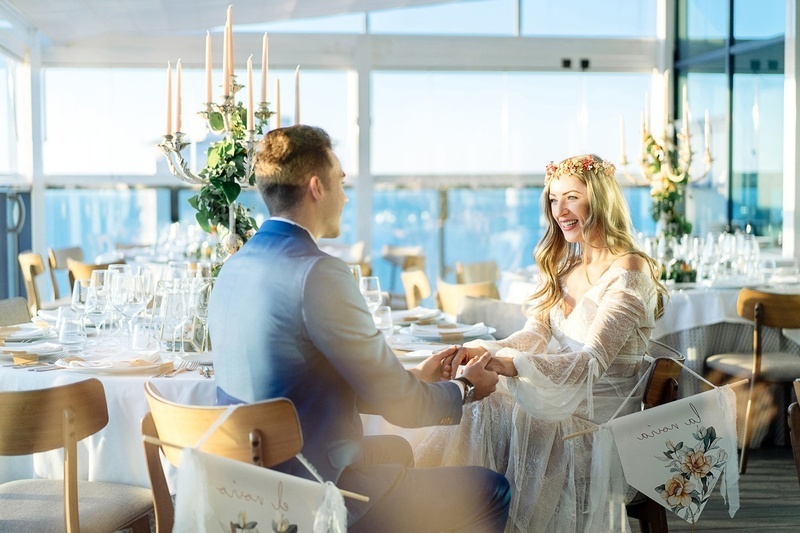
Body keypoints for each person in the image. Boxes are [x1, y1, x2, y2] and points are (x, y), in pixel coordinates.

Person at [207, 125, 511, 532]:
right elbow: (402, 407)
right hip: (313, 494)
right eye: (341, 182)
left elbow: (301, 380)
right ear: (317, 187)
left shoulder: (234, 266)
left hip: (246, 486)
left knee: (397, 451)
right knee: (492, 489)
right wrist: (466, 388)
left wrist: (414, 377)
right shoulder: (319, 273)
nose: (346, 196)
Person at [415, 154, 668, 533]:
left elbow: (588, 363)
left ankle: (439, 511)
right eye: (553, 199)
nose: (559, 210)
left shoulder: (629, 271)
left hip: (597, 427)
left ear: (599, 199)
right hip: (558, 403)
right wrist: (488, 352)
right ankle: (447, 512)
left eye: (571, 197)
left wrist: (509, 366)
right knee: (480, 402)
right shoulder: (567, 266)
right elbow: (535, 335)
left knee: (491, 408)